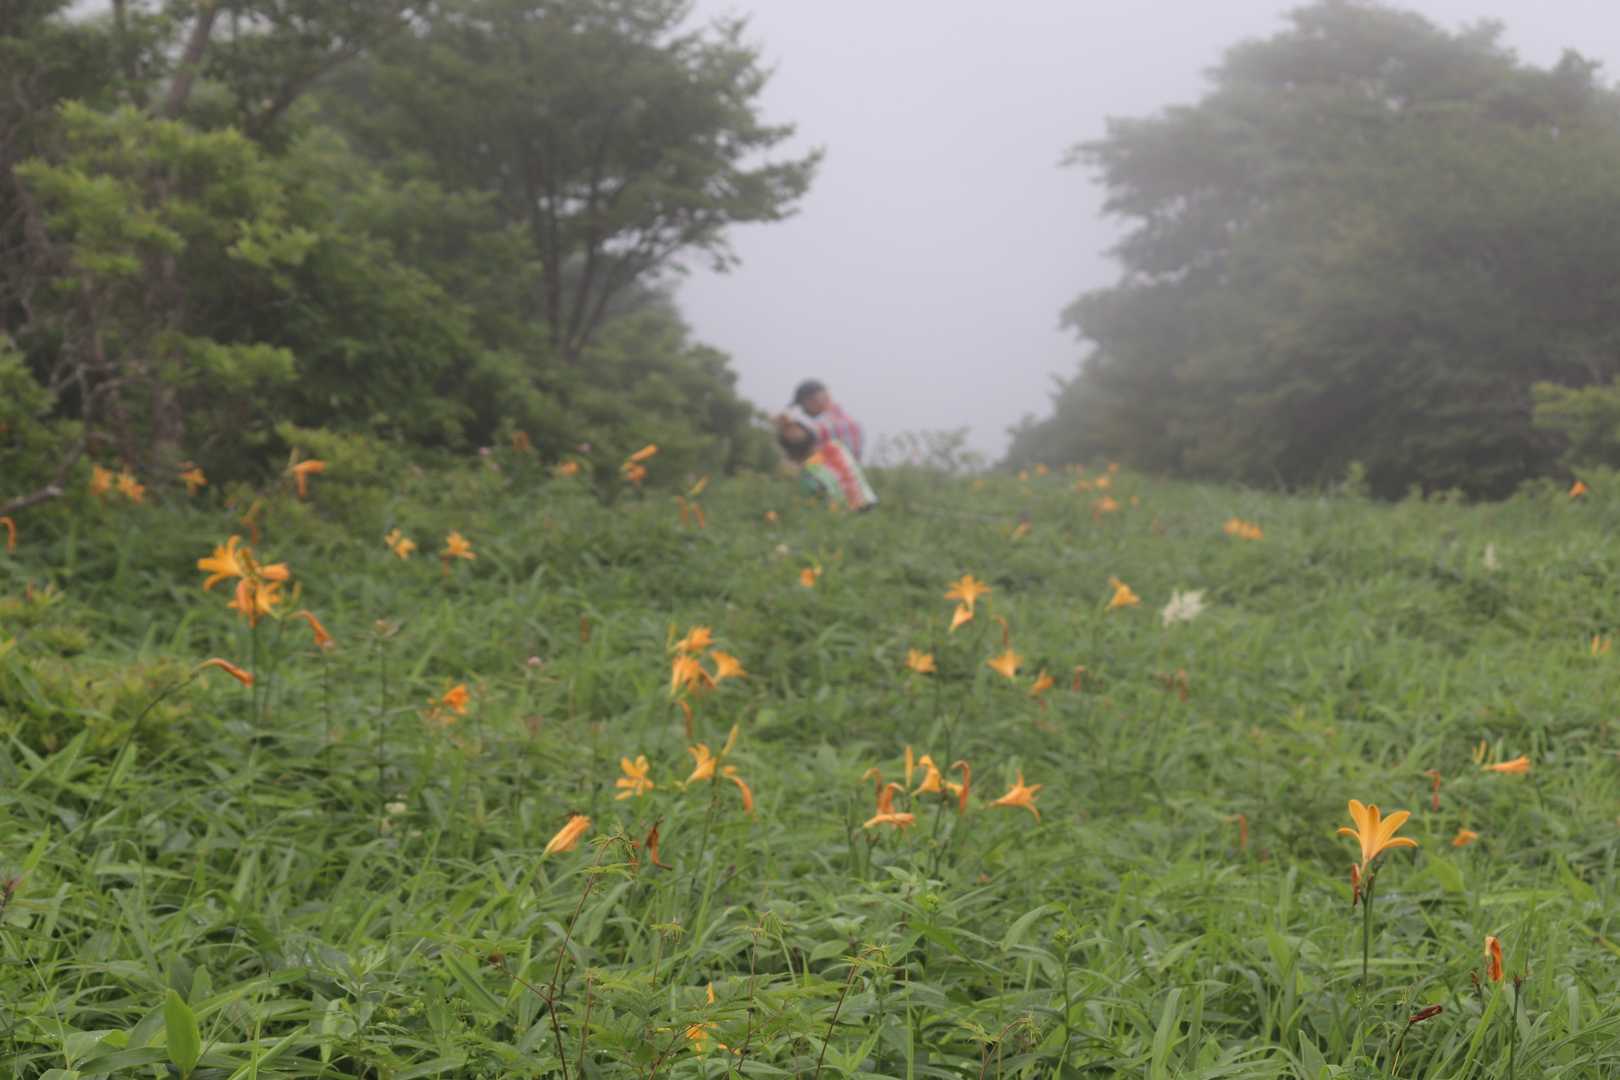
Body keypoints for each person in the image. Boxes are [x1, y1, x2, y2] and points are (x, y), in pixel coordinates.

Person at [777, 419, 877, 511]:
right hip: (861, 509)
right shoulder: (835, 447)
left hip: (857, 510)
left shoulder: (809, 472)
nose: (794, 433)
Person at [784, 379, 864, 461]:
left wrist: (786, 426)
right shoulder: (851, 422)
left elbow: (801, 435)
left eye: (803, 405)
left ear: (812, 400)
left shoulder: (826, 425)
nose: (804, 411)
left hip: (829, 468)